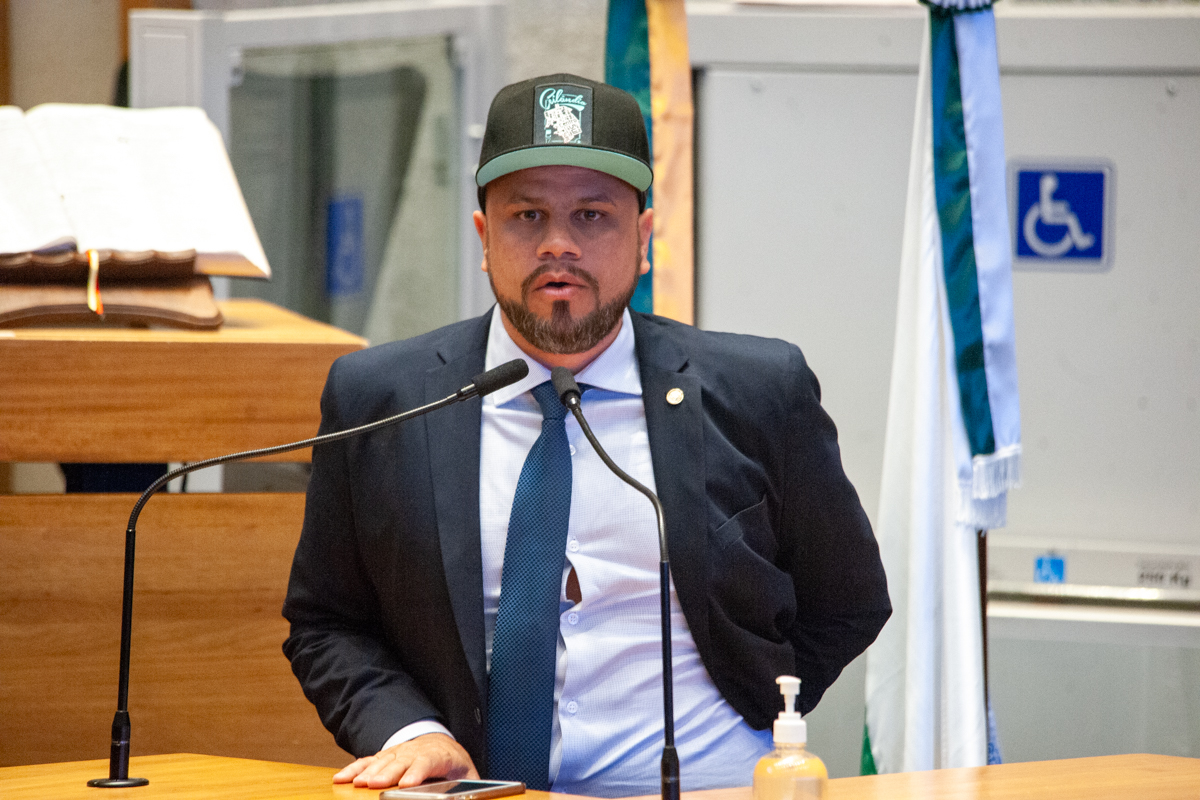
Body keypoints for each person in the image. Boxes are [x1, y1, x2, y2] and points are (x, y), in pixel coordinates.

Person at [282, 74, 890, 797]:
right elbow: (327, 622)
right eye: (527, 215)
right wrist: (414, 732)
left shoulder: (759, 391)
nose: (559, 245)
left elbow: (848, 599)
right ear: (484, 237)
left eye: (593, 215)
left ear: (643, 237)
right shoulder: (384, 399)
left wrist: (759, 704)